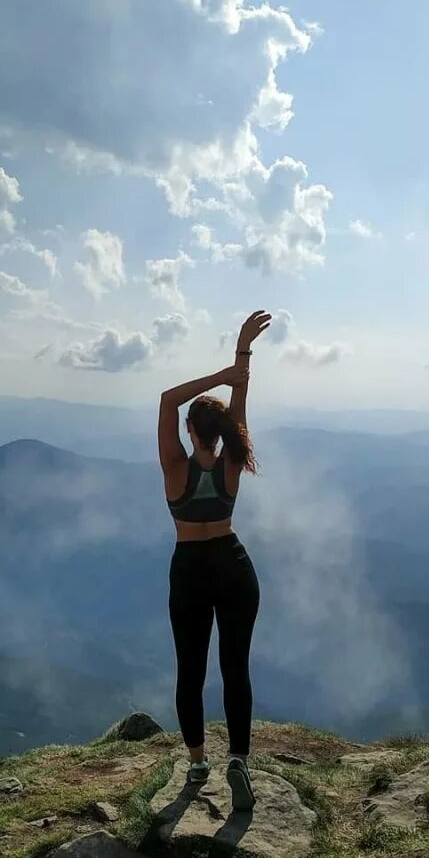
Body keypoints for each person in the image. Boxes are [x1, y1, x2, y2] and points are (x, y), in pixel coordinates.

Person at [158, 310, 271, 810]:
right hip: (233, 562)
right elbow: (239, 414)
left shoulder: (175, 467)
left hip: (190, 567)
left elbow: (166, 398)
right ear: (221, 430)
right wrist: (240, 358)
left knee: (191, 669)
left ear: (188, 429)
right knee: (235, 667)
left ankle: (199, 760)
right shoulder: (230, 465)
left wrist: (221, 375)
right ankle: (239, 762)